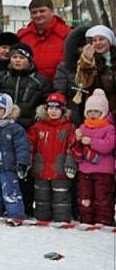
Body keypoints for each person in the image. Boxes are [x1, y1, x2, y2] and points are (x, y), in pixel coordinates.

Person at [27, 92, 78, 222]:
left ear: (63, 110)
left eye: (56, 108)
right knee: (41, 197)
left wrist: (70, 163)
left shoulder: (69, 127)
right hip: (41, 169)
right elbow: (29, 145)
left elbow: (72, 147)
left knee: (61, 198)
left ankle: (61, 221)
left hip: (60, 170)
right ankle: (42, 219)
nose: (53, 111)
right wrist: (27, 161)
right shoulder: (37, 127)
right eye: (50, 108)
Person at [0, 42, 51, 130]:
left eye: (22, 57)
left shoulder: (40, 81)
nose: (17, 60)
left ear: (29, 60)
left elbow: (46, 104)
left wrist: (36, 121)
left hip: (30, 128)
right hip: (1, 126)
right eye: (14, 57)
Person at [72, 89, 115, 226]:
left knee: (102, 196)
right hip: (85, 169)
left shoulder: (109, 128)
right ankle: (86, 219)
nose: (92, 115)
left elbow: (109, 145)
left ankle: (103, 220)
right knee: (85, 196)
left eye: (96, 112)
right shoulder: (83, 127)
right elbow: (75, 147)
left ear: (103, 112)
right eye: (89, 112)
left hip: (103, 171)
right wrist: (76, 138)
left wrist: (91, 141)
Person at [15, 0, 70, 82]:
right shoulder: (22, 36)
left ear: (52, 11)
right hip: (28, 88)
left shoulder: (66, 35)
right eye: (34, 12)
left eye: (42, 11)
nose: (38, 15)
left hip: (57, 89)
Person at [69, 25, 115, 119]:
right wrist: (86, 62)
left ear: (109, 41)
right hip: (96, 108)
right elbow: (83, 83)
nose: (98, 43)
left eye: (101, 39)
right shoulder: (86, 59)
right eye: (94, 40)